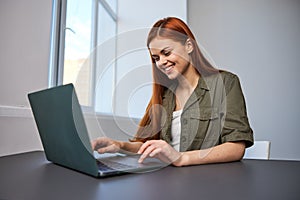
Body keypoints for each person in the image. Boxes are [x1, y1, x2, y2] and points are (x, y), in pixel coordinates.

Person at [92, 17, 253, 167]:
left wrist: (181, 158)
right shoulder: (164, 94)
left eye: (166, 53)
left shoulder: (225, 83)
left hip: (209, 181)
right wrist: (119, 145)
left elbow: (236, 147)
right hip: (168, 181)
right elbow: (148, 145)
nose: (161, 62)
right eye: (156, 58)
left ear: (189, 46)